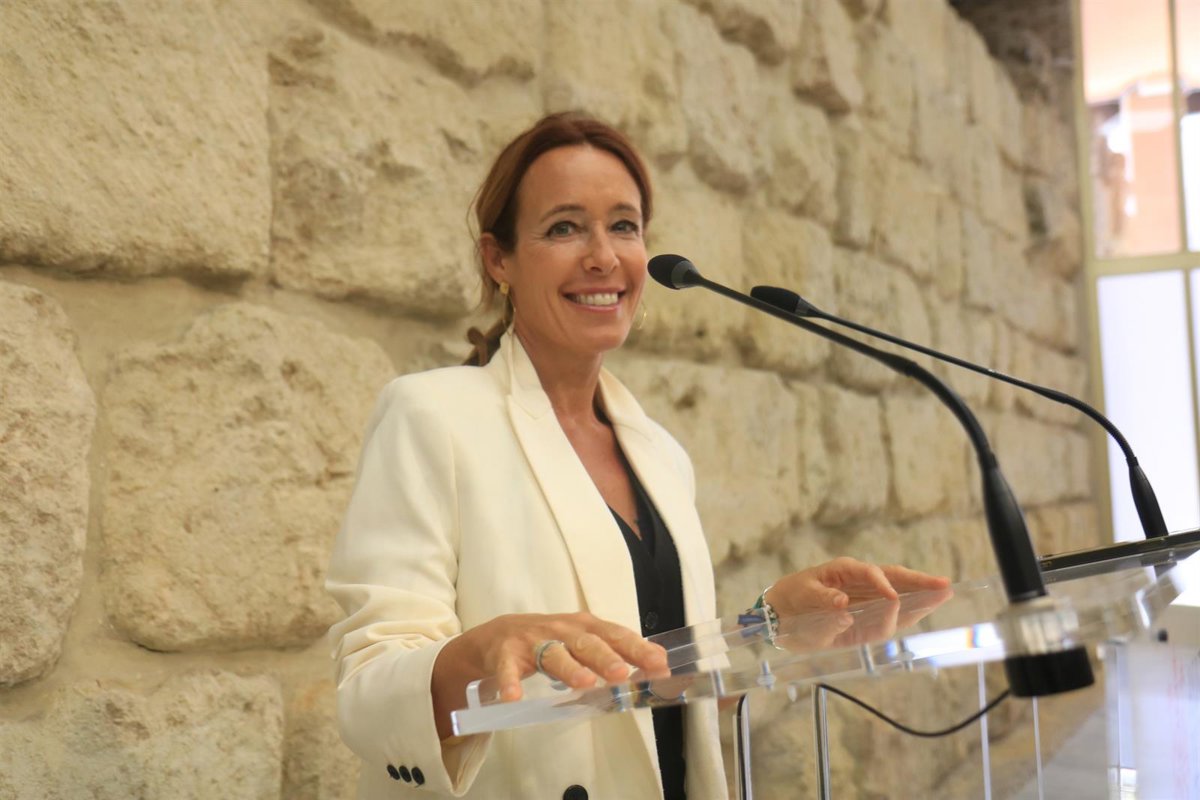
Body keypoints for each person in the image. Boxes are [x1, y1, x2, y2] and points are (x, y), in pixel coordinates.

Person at [325, 111, 950, 800]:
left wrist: (767, 625)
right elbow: (368, 689)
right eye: (564, 228)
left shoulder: (660, 452)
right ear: (498, 259)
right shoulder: (431, 417)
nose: (603, 257)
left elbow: (657, 682)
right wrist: (482, 649)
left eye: (623, 226)